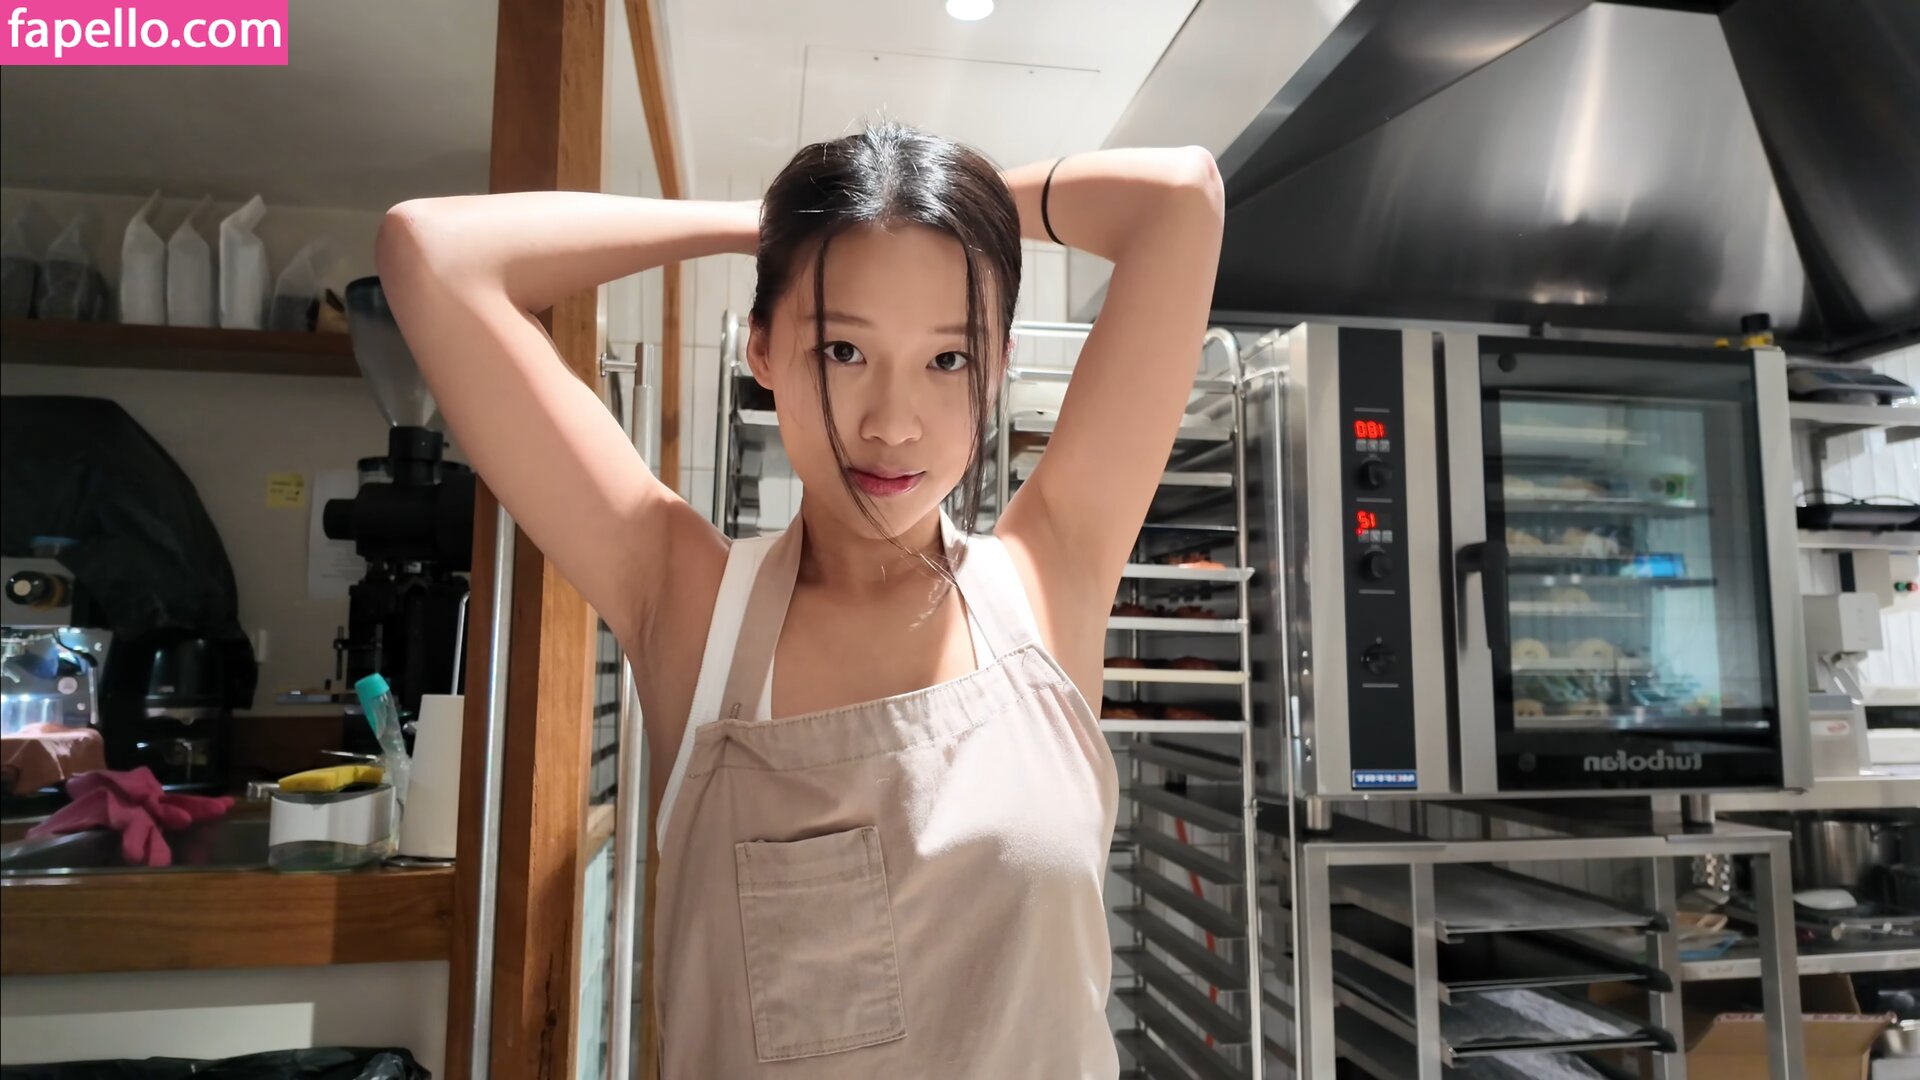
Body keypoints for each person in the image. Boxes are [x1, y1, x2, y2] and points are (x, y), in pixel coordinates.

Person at [377, 122, 1225, 1078]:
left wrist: (931, 204)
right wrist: (775, 222)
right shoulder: (691, 608)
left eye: (948, 359)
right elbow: (430, 253)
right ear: (764, 349)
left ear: (996, 369)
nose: (892, 424)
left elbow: (1181, 198)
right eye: (841, 349)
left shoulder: (1047, 580)